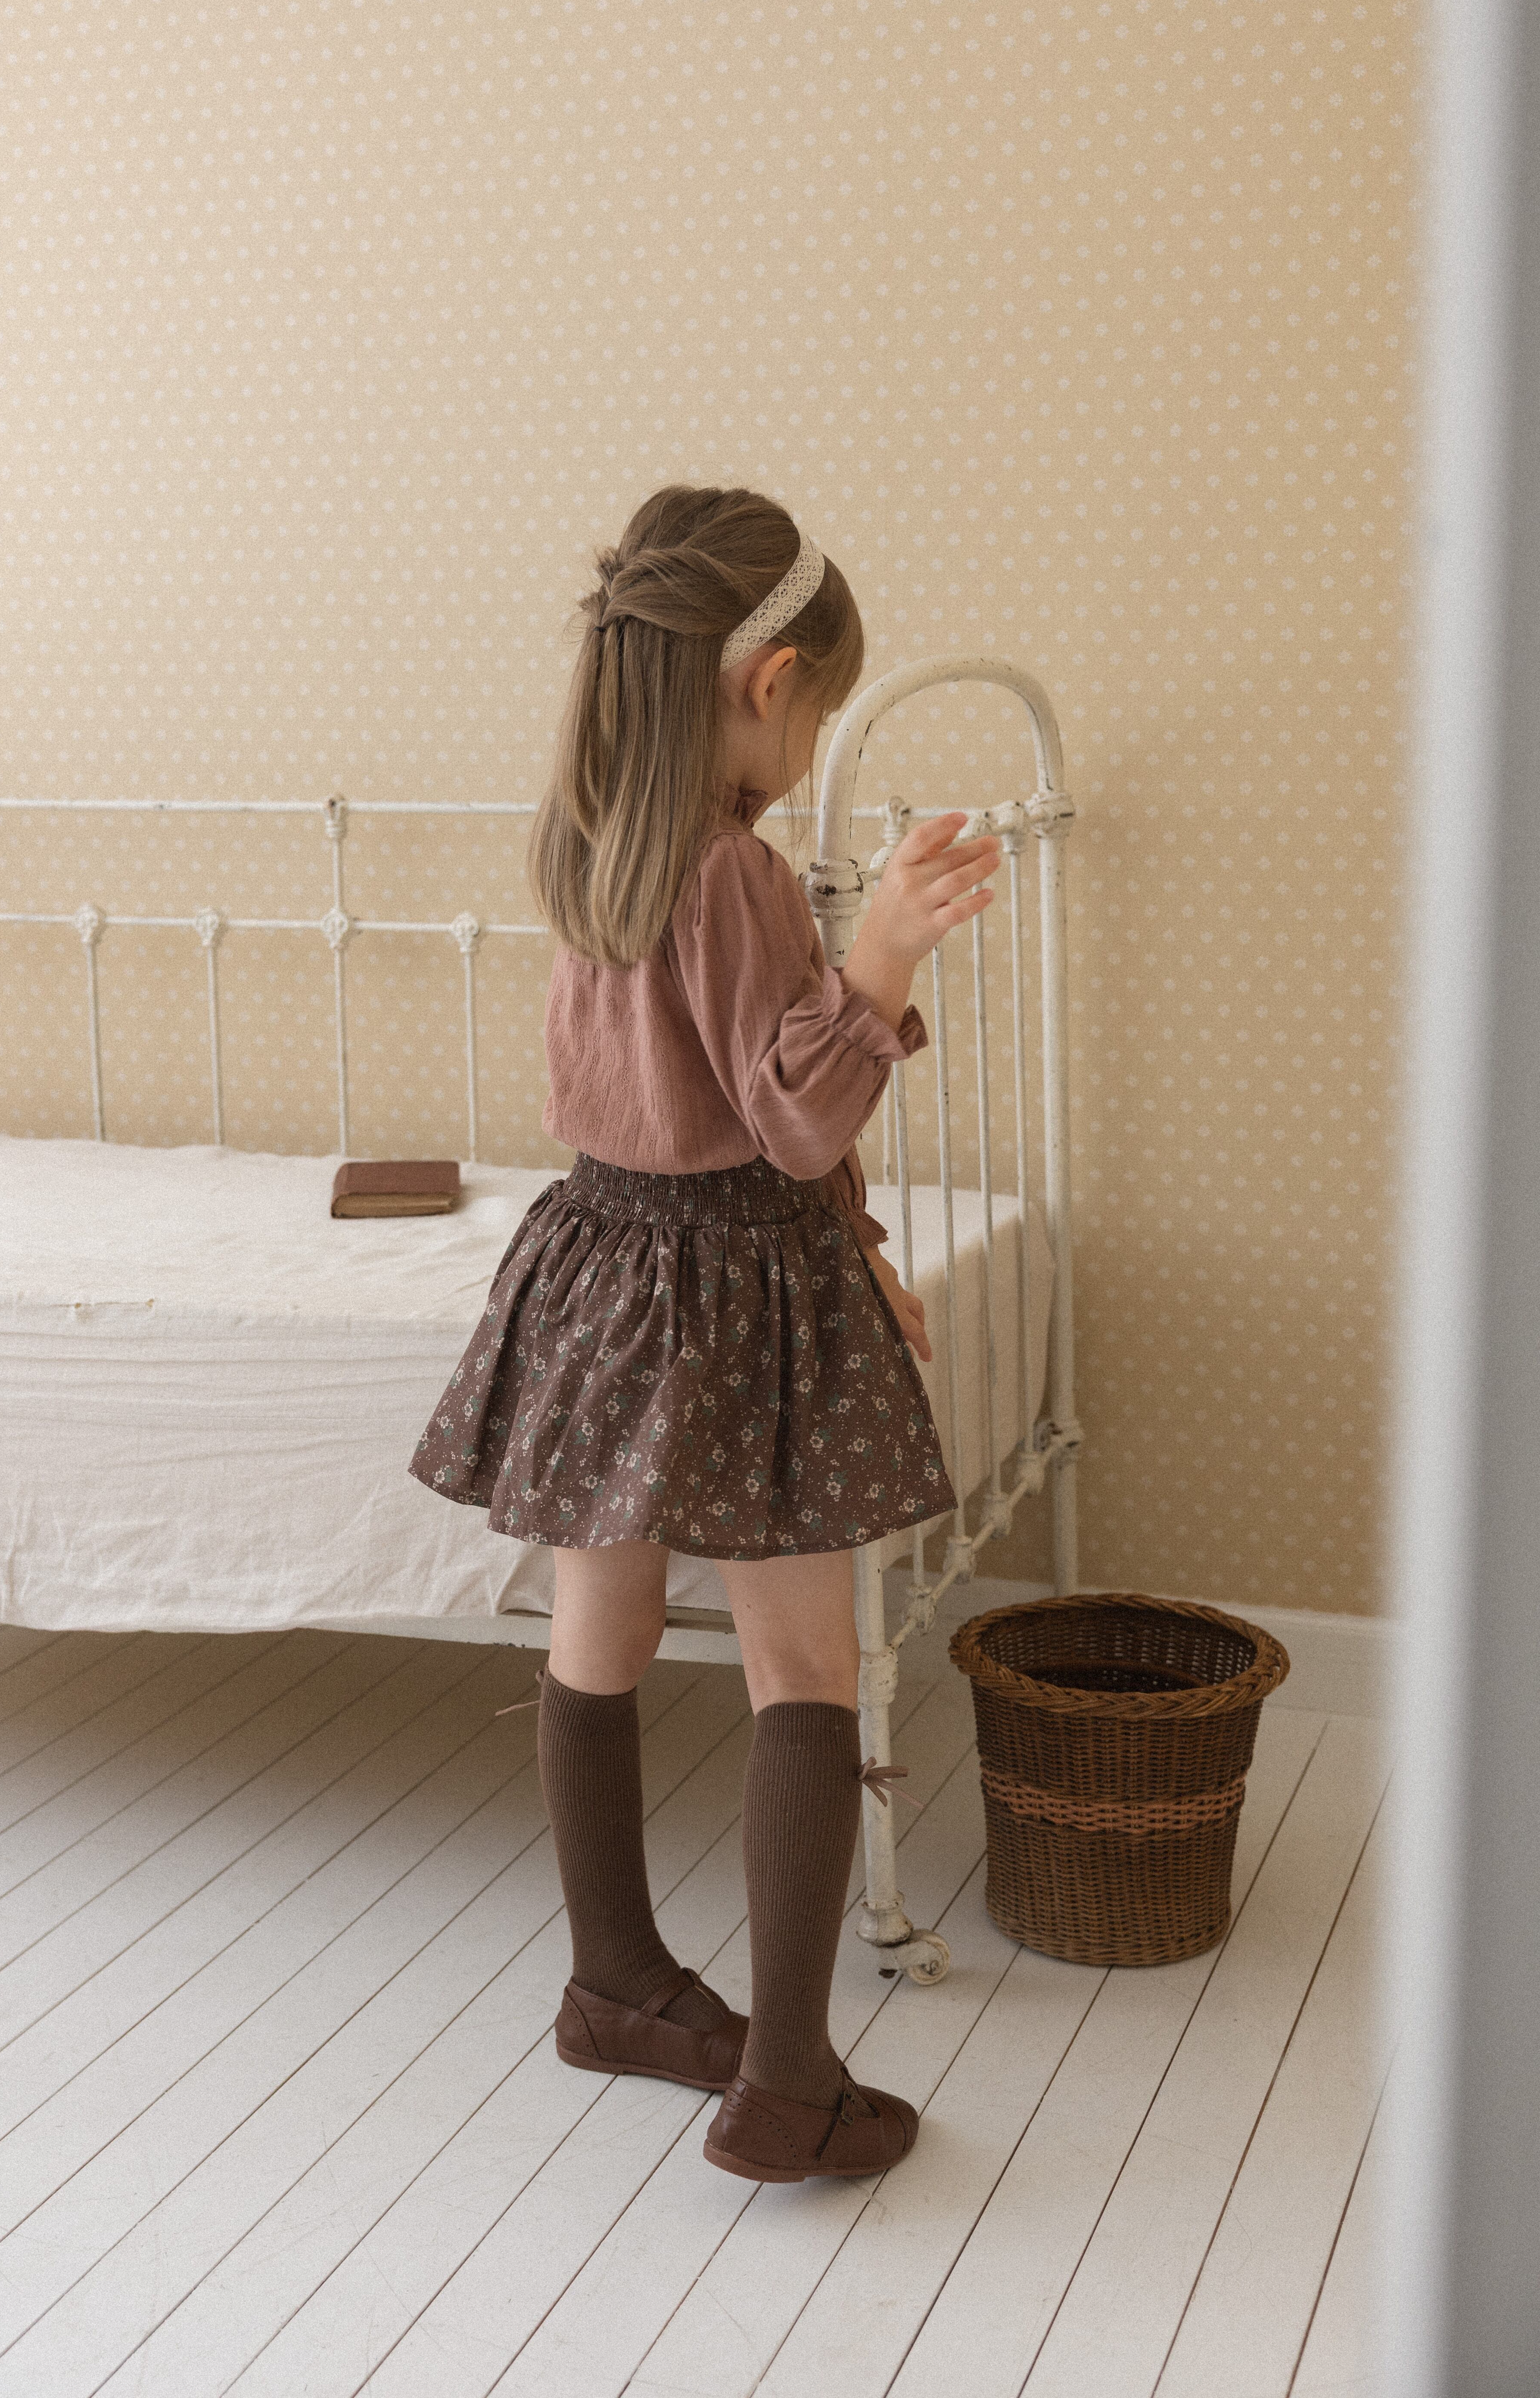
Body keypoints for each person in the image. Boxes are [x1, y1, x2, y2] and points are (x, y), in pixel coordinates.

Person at [408, 483, 999, 2184]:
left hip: (603, 1269)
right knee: (802, 1669)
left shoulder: (591, 840)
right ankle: (789, 2081)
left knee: (595, 1629)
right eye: (815, 716)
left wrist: (861, 1245)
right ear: (770, 680)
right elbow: (791, 1121)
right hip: (736, 1293)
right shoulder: (735, 871)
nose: (805, 754)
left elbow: (708, 1104)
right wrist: (880, 956)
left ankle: (613, 1985)